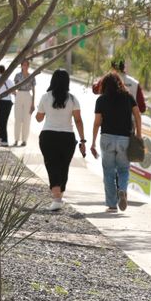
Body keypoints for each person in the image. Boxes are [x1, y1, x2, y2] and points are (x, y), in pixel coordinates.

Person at [34, 69, 87, 212]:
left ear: (53, 80)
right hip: (67, 137)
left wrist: (41, 112)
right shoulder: (73, 99)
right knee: (63, 167)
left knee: (52, 165)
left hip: (48, 136)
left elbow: (39, 119)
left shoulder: (45, 97)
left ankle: (57, 199)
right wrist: (83, 140)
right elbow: (78, 120)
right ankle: (58, 198)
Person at [90, 71, 143, 213]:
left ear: (104, 85)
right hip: (124, 139)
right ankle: (122, 190)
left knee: (108, 172)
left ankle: (112, 204)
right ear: (120, 83)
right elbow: (137, 115)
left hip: (106, 138)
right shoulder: (128, 97)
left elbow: (97, 123)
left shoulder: (101, 100)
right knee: (123, 169)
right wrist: (139, 134)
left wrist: (93, 142)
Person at [11, 58, 35, 147]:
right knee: (17, 119)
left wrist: (33, 103)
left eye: (26, 65)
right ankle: (16, 139)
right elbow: (14, 87)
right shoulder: (17, 75)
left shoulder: (31, 76)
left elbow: (34, 90)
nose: (25, 66)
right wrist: (15, 94)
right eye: (23, 65)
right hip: (19, 95)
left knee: (27, 119)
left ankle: (24, 140)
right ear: (21, 66)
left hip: (28, 96)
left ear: (28, 66)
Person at [0, 64, 15, 145]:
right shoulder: (9, 80)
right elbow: (14, 92)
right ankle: (2, 138)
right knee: (4, 121)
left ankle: (4, 140)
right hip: (8, 103)